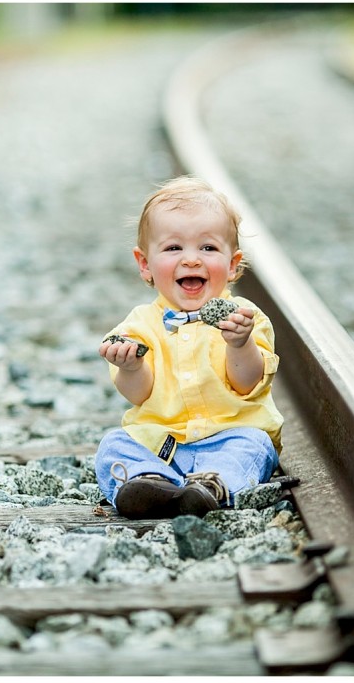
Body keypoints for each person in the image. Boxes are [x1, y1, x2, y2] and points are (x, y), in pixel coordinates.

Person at [95, 176, 283, 519]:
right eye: (173, 248)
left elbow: (247, 383)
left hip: (229, 439)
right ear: (144, 264)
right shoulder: (138, 325)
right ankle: (149, 482)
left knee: (256, 446)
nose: (192, 260)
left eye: (208, 248)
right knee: (113, 445)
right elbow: (138, 395)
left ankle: (210, 488)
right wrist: (131, 367)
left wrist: (239, 345)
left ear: (232, 264)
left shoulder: (245, 318)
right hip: (164, 445)